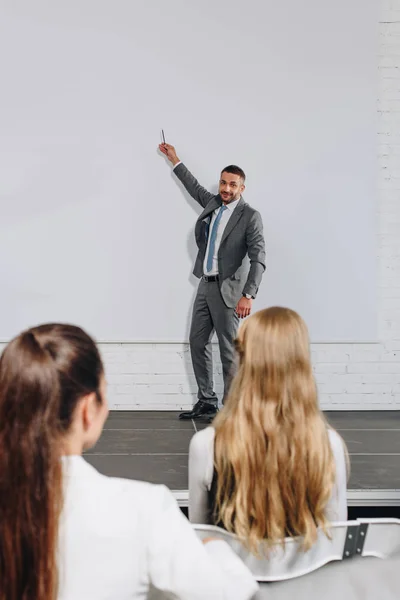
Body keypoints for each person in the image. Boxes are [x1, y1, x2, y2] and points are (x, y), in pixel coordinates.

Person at [0, 323, 258, 600]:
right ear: (88, 410)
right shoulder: (145, 510)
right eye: (105, 391)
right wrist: (217, 546)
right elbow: (236, 595)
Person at [188, 307, 348, 555]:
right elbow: (335, 541)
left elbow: (200, 542)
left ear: (244, 362)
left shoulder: (206, 445)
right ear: (302, 363)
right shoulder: (329, 445)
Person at [159, 143, 266, 421]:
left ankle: (231, 410)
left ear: (242, 187)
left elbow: (259, 259)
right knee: (197, 342)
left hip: (230, 291)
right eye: (223, 183)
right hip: (206, 286)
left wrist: (249, 294)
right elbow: (193, 186)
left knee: (229, 351)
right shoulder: (214, 204)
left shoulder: (250, 217)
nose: (226, 189)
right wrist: (174, 159)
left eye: (232, 185)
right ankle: (207, 401)